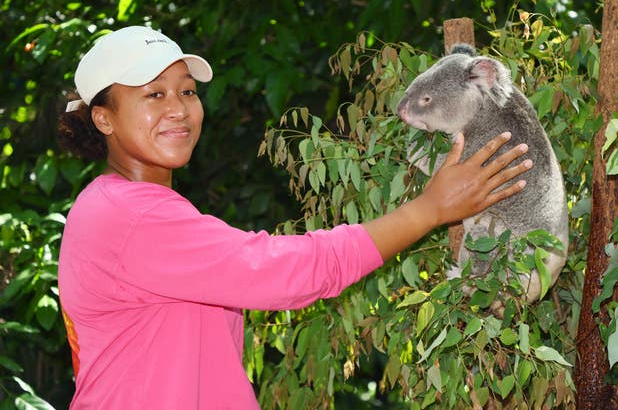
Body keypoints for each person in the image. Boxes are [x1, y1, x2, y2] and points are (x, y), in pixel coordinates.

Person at [57, 25, 532, 409]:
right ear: (104, 118)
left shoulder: (133, 208)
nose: (179, 110)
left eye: (186, 92)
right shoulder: (129, 217)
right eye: (153, 96)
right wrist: (429, 209)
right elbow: (288, 269)